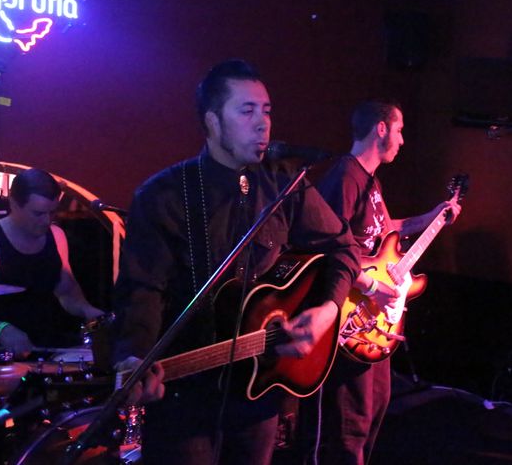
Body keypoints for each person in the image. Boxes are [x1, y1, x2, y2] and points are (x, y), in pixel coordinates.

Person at [111, 59, 359, 465]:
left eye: (267, 111)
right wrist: (135, 355)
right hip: (187, 398)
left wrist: (327, 310)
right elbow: (143, 288)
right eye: (247, 111)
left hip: (259, 395)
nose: (263, 123)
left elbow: (343, 248)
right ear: (213, 121)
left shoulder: (284, 181)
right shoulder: (164, 195)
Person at [307, 99, 461, 465]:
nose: (403, 140)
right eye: (399, 129)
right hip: (351, 313)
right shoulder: (345, 176)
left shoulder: (370, 180)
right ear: (380, 128)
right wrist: (373, 287)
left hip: (374, 320)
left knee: (376, 406)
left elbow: (386, 231)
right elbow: (328, 248)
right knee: (351, 422)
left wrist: (432, 217)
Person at [0, 168, 105, 363]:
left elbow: (67, 292)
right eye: (38, 213)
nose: (47, 220)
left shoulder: (56, 236)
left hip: (44, 347)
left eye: (52, 212)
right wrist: (0, 329)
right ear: (14, 203)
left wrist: (90, 312)